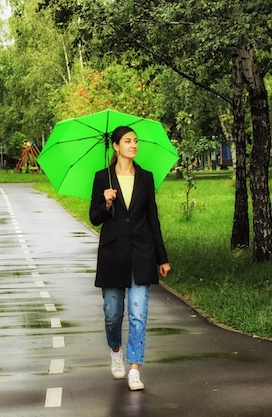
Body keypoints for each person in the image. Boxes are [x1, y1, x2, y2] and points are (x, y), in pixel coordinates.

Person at [89, 125, 171, 391]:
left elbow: (153, 219)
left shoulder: (146, 178)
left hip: (142, 253)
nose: (133, 145)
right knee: (113, 314)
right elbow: (95, 217)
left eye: (135, 141)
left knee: (138, 313)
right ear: (115, 146)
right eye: (127, 141)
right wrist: (107, 204)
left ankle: (135, 368)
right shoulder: (103, 178)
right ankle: (116, 351)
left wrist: (162, 257)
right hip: (113, 254)